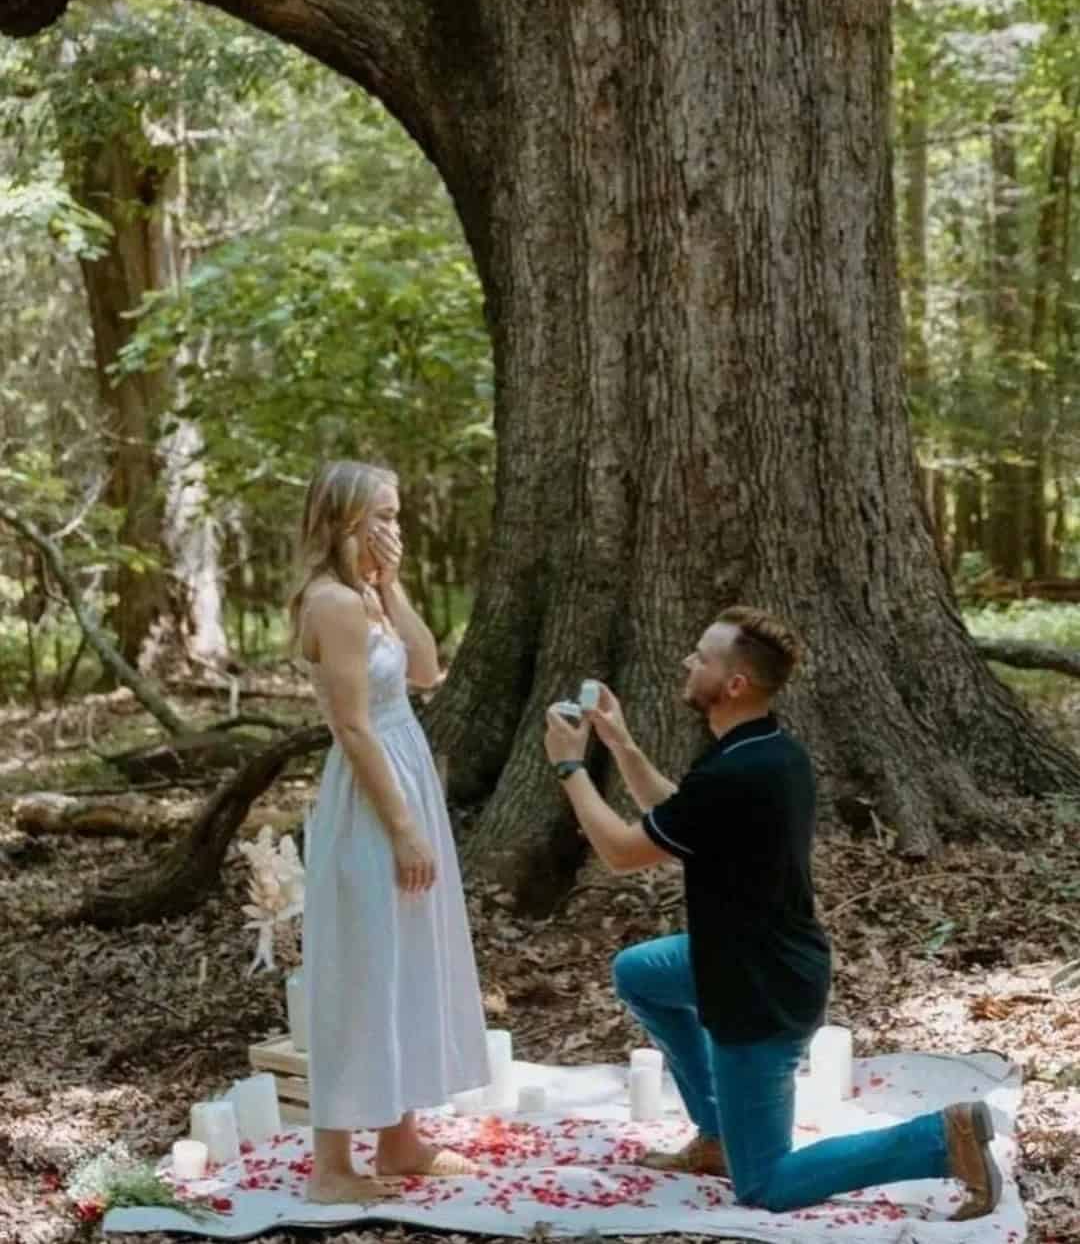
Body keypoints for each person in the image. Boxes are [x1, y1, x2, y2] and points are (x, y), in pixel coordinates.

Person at [543, 605, 1002, 1221]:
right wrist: (620, 743)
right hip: (748, 956)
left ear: (734, 684)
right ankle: (716, 1136)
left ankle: (941, 1139)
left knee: (765, 1184)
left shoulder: (739, 772)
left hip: (759, 993)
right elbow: (681, 815)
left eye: (701, 656)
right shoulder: (765, 750)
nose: (686, 661)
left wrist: (571, 767)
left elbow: (624, 853)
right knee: (640, 972)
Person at [291, 460, 488, 1203]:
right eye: (384, 515)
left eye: (398, 515)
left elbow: (429, 670)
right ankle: (333, 1166)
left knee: (405, 957)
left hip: (405, 772)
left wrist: (390, 584)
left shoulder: (367, 597)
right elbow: (349, 724)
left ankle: (401, 1138)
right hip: (371, 795)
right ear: (345, 520)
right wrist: (403, 829)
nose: (396, 529)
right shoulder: (332, 603)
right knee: (363, 964)